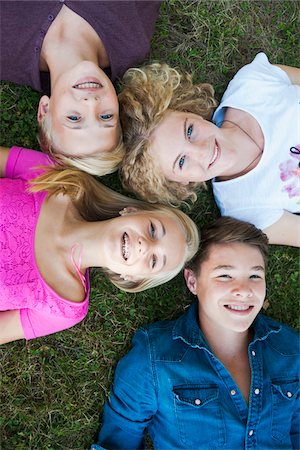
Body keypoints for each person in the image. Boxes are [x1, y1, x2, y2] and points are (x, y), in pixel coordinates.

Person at [91, 217, 300, 450]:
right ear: (192, 281)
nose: (244, 290)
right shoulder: (155, 357)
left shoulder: (290, 350)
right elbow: (117, 441)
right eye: (225, 275)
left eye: (255, 276)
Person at [0, 146, 199, 344]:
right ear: (132, 211)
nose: (144, 246)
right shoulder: (60, 180)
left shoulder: (65, 307)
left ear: (132, 277)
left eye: (154, 261)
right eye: (153, 230)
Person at [119, 53, 300, 247]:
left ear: (190, 112)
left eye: (189, 131)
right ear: (179, 183)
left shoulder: (252, 85)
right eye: (181, 161)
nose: (202, 150)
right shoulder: (246, 210)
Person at [0, 1, 162, 175]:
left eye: (74, 118)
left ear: (44, 109)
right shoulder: (132, 40)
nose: (91, 102)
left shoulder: (5, 55)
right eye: (106, 116)